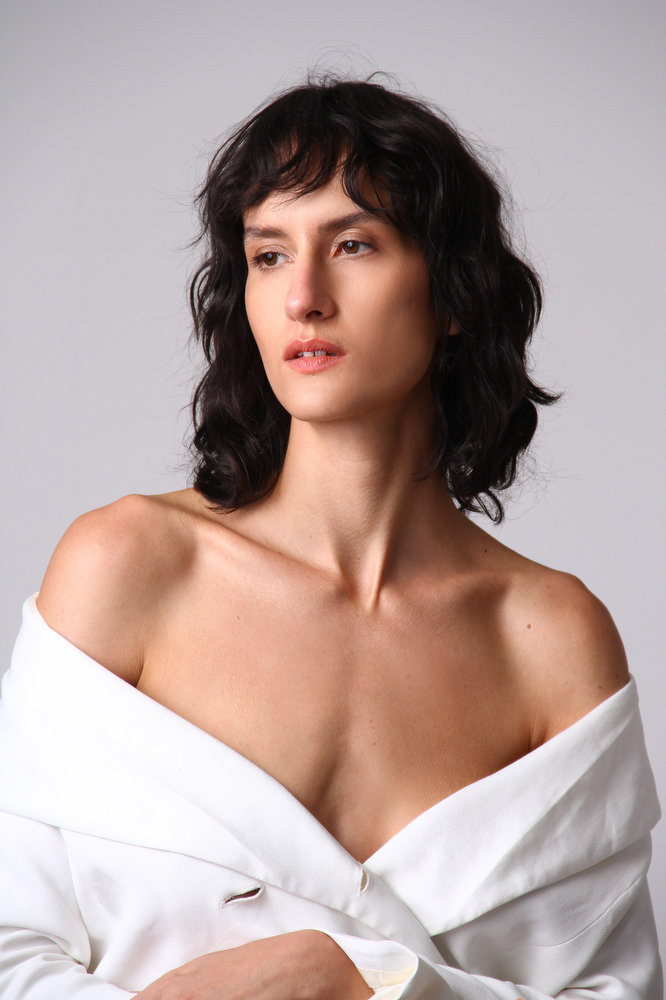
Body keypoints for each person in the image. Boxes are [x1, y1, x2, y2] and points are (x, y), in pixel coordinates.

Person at [0, 77, 661, 999]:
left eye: (354, 244)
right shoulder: (128, 568)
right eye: (269, 255)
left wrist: (367, 980)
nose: (304, 297)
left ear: (455, 292)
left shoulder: (550, 639)